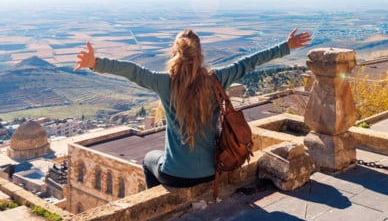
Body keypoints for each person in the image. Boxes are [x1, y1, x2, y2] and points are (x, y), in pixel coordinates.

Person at [74, 28, 312, 189]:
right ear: (200, 54)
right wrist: (285, 46)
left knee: (148, 159)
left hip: (174, 176)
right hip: (212, 172)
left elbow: (133, 71)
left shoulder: (163, 82)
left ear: (175, 54)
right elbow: (249, 62)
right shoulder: (217, 79)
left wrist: (95, 63)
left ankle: (159, 203)